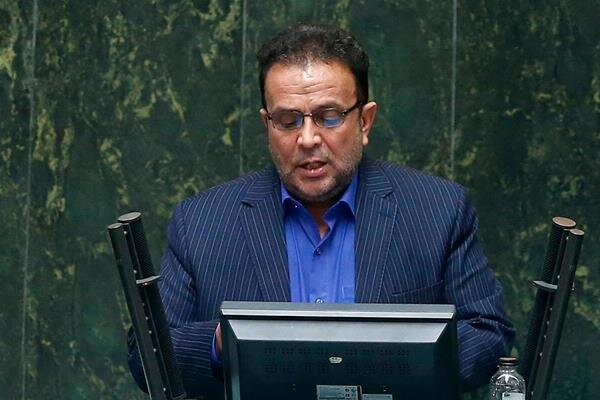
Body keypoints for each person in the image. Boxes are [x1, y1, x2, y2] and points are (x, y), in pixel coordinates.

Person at [128, 23, 514, 399]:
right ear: (267, 124)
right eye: (288, 121)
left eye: (329, 116)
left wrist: (395, 357)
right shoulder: (202, 222)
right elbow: (147, 354)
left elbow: (487, 334)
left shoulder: (438, 210)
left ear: (365, 121)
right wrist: (221, 344)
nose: (308, 138)